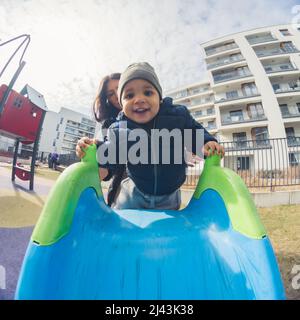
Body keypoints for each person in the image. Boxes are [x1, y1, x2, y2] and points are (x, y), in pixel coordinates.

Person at [98, 62, 225, 210]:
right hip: (135, 192)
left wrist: (205, 142)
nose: (139, 99)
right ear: (122, 103)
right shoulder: (121, 127)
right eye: (129, 95)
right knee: (122, 224)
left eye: (148, 92)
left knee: (165, 230)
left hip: (170, 194)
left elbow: (192, 131)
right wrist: (95, 150)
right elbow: (110, 153)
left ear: (159, 97)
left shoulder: (176, 117)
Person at [75, 73, 126, 206]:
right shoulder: (109, 125)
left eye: (119, 87)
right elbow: (106, 169)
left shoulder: (153, 113)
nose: (116, 94)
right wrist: (89, 153)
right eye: (110, 94)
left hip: (162, 202)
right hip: (122, 199)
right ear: (107, 99)